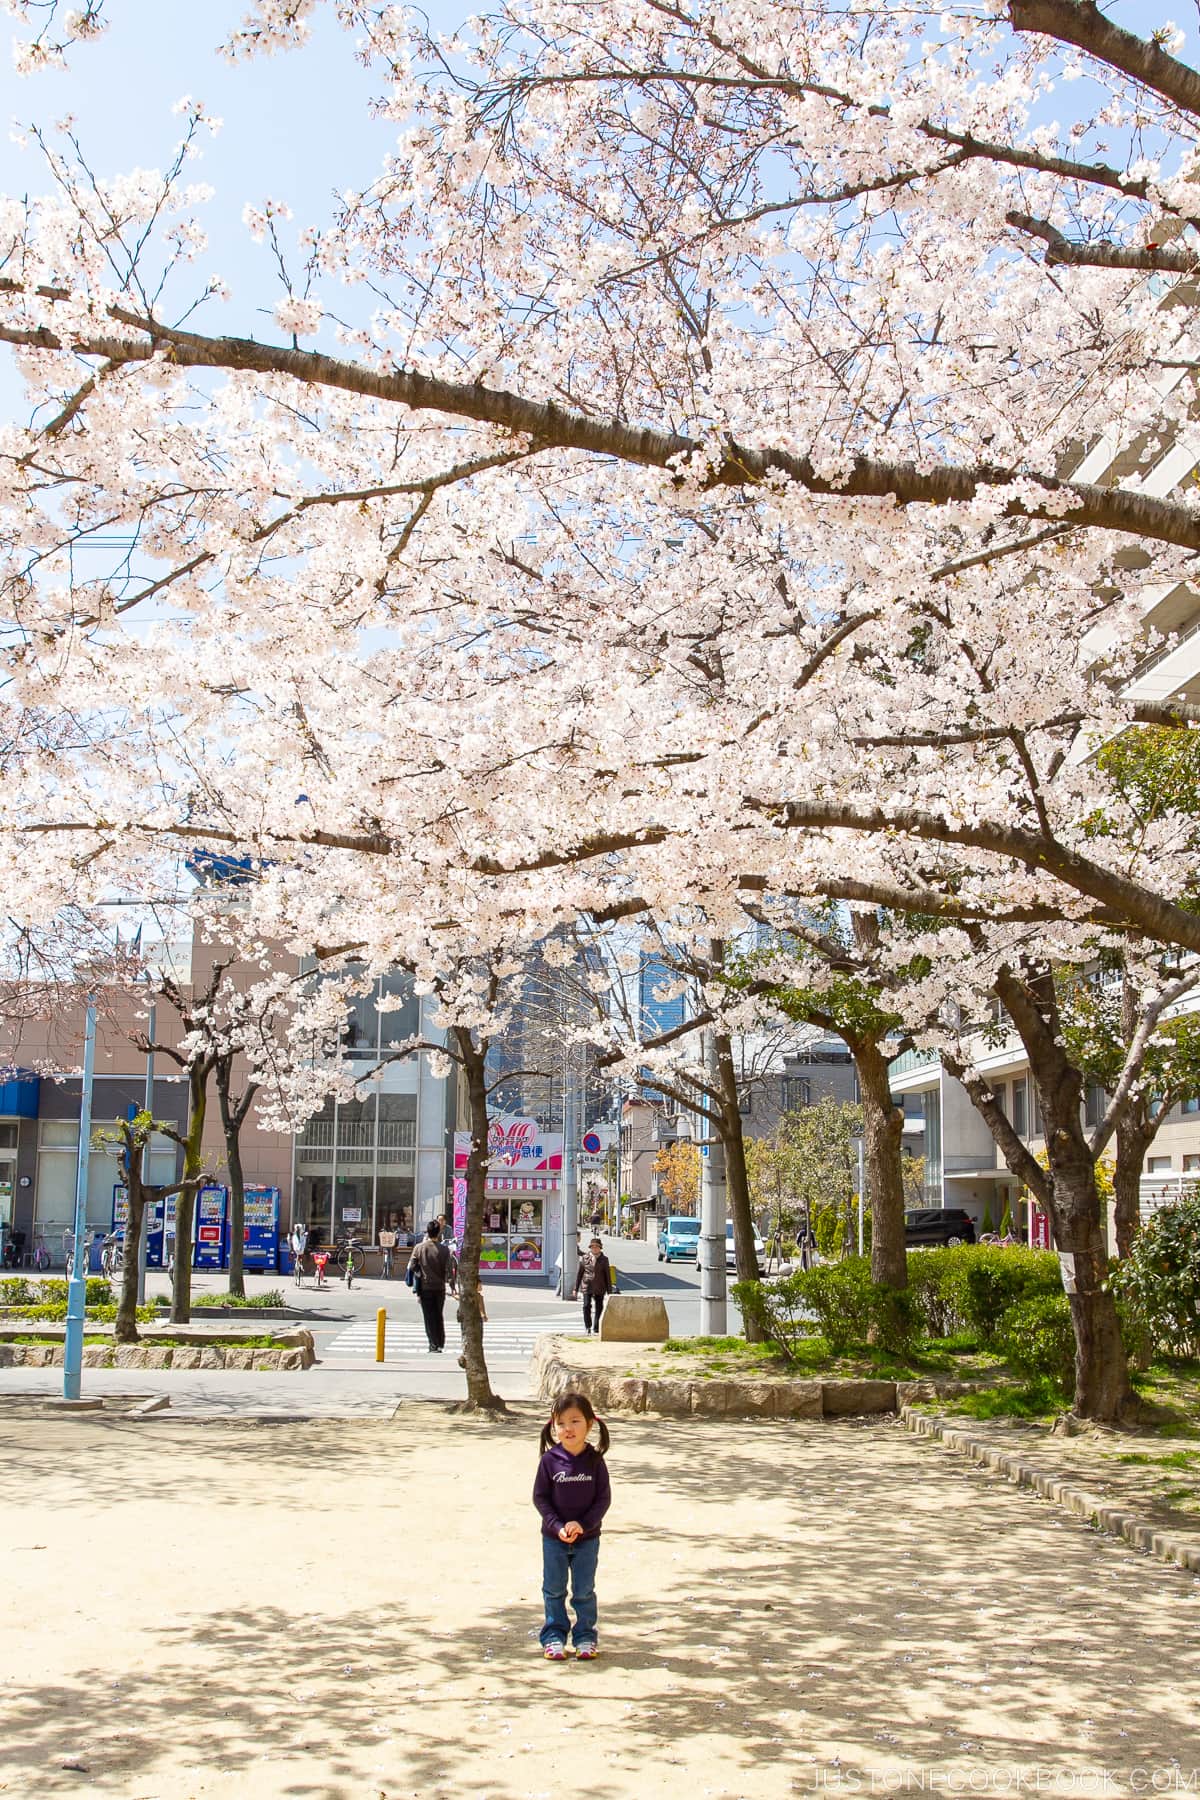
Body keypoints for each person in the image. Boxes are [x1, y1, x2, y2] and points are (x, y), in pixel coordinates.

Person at [532, 1391, 611, 1661]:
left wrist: (584, 1525)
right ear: (554, 1426)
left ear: (590, 1424)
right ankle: (553, 1637)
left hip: (587, 1540)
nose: (569, 1429)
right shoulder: (549, 1461)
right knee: (554, 1589)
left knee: (584, 1590)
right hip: (554, 1539)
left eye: (575, 1421)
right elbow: (540, 1498)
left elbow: (603, 1500)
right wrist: (556, 1526)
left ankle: (585, 1637)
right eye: (562, 1423)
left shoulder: (595, 1461)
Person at [408, 1219, 456, 1352]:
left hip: (425, 1287)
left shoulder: (419, 1248)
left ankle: (433, 1344)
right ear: (439, 1232)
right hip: (440, 1287)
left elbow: (412, 1266)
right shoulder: (445, 1250)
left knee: (429, 1316)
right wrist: (453, 1288)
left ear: (427, 1232)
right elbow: (450, 1271)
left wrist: (419, 1272)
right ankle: (440, 1341)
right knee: (438, 1314)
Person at [571, 1237, 612, 1336]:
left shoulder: (604, 1259)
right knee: (586, 1306)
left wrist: (609, 1291)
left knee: (599, 1307)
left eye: (596, 1247)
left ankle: (596, 1328)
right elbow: (579, 1274)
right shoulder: (585, 1258)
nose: (594, 1249)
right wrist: (575, 1289)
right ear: (590, 1248)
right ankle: (588, 1327)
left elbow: (607, 1275)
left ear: (600, 1248)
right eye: (593, 1247)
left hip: (600, 1286)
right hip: (587, 1285)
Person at [455, 1283, 487, 1369]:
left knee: (469, 1338)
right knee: (473, 1338)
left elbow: (481, 1308)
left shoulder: (474, 1296)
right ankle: (467, 1356)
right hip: (473, 1319)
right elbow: (481, 1308)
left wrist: (483, 1314)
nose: (481, 1286)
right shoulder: (475, 1296)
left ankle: (467, 1356)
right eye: (480, 1284)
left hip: (470, 1319)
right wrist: (483, 1315)